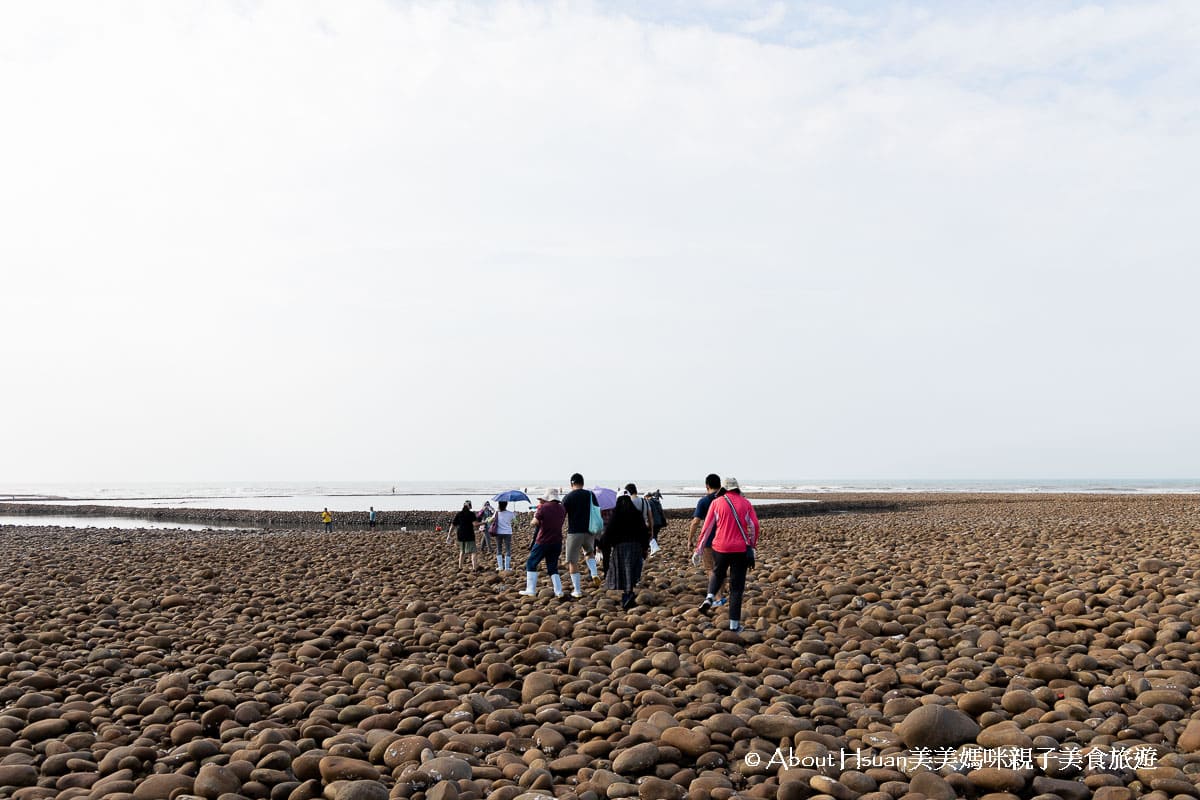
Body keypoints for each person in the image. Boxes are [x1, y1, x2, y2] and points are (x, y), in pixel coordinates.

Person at [695, 477, 760, 632]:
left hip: (720, 547)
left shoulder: (716, 503)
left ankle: (710, 597)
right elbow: (754, 525)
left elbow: (707, 528)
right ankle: (734, 626)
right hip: (740, 549)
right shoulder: (746, 503)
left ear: (724, 488)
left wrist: (699, 549)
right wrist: (752, 544)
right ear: (737, 488)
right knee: (736, 588)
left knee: (718, 572)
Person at [599, 495, 652, 609]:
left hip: (620, 548)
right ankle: (629, 593)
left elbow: (609, 533)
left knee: (623, 572)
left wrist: (602, 545)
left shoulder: (616, 516)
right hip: (636, 547)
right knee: (632, 570)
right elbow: (644, 532)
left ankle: (627, 594)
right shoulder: (637, 514)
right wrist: (645, 548)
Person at [562, 473, 602, 597]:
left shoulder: (568, 497)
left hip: (574, 532)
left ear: (571, 483)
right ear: (583, 483)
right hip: (590, 530)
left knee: (572, 561)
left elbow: (562, 514)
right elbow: (596, 509)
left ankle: (577, 590)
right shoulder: (590, 494)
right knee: (589, 553)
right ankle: (594, 573)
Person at [690, 474, 727, 607]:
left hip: (710, 540)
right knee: (721, 569)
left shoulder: (704, 501)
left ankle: (717, 598)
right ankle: (720, 597)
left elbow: (695, 522)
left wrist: (690, 539)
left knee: (711, 569)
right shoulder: (726, 499)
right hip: (725, 539)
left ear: (707, 486)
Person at [522, 488, 566, 597]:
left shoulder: (543, 508)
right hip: (557, 541)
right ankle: (558, 590)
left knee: (531, 563)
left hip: (543, 540)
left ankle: (530, 589)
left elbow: (534, 523)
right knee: (552, 567)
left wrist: (535, 517)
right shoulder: (562, 508)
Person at [451, 500, 480, 571]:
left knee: (462, 552)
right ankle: (474, 568)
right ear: (470, 506)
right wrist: (484, 522)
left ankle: (460, 567)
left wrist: (449, 535)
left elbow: (453, 525)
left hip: (460, 535)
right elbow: (475, 524)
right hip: (469, 535)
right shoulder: (471, 514)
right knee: (473, 552)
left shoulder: (459, 514)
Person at [493, 500, 516, 572]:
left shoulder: (496, 513)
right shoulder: (510, 513)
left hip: (498, 532)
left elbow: (491, 520)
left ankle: (500, 567)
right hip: (508, 533)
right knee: (508, 549)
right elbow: (516, 522)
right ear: (506, 505)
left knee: (499, 549)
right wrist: (515, 515)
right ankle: (507, 567)